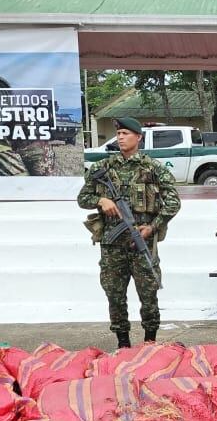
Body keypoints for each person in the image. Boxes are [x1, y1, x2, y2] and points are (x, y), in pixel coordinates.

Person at [77, 116, 180, 349]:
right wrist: (101, 200)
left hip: (141, 242)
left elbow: (173, 203)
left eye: (126, 134)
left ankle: (150, 343)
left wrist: (152, 227)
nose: (121, 138)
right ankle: (122, 343)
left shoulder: (153, 168)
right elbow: (82, 198)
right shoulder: (102, 167)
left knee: (149, 293)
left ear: (139, 138)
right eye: (119, 134)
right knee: (114, 295)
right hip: (112, 245)